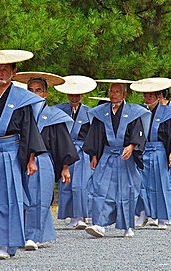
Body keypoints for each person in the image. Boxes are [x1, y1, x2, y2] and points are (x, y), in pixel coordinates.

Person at [0, 50, 47, 259]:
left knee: (7, 198)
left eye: (5, 68)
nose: (0, 72)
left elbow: (29, 129)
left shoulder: (22, 99)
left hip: (9, 152)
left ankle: (5, 244)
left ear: (14, 72)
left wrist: (31, 159)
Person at [14, 72, 79, 250]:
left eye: (38, 90)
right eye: (31, 90)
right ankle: (19, 234)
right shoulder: (19, 111)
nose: (34, 93)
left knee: (39, 198)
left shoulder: (53, 115)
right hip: (18, 159)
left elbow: (62, 143)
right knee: (19, 198)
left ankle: (32, 236)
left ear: (45, 94)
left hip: (42, 161)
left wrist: (65, 167)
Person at [83, 80, 150, 238]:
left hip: (125, 156)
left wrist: (132, 146)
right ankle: (100, 224)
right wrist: (94, 155)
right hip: (106, 155)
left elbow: (138, 132)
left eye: (117, 92)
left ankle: (128, 226)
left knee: (126, 190)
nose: (113, 94)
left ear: (124, 94)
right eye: (111, 91)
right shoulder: (101, 112)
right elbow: (95, 136)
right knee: (100, 188)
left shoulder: (134, 112)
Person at [130, 78, 171, 230]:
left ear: (158, 96)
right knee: (141, 184)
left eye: (150, 96)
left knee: (161, 184)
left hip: (159, 151)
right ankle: (142, 213)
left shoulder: (167, 113)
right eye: (145, 96)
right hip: (143, 151)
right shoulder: (140, 111)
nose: (147, 98)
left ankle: (162, 217)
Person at [54, 75, 97, 229]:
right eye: (71, 94)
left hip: (82, 150)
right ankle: (70, 215)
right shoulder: (59, 110)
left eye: (77, 94)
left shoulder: (90, 112)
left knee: (81, 184)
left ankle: (81, 215)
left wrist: (94, 155)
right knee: (66, 183)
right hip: (65, 150)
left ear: (82, 95)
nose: (74, 97)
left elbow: (93, 136)